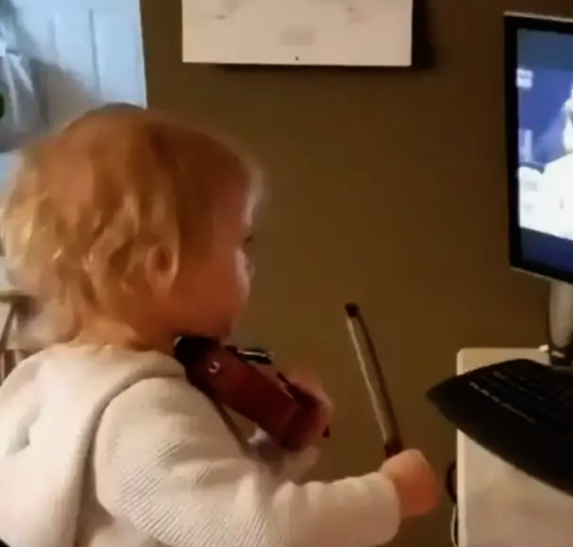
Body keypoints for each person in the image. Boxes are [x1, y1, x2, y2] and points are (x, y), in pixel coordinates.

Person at [0, 106, 438, 547]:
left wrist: (277, 447)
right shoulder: (139, 413)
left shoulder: (58, 377)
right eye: (238, 243)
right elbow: (264, 533)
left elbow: (204, 508)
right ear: (162, 266)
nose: (248, 263)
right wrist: (390, 495)